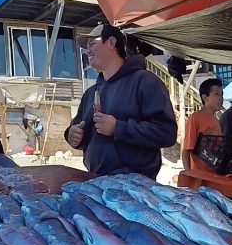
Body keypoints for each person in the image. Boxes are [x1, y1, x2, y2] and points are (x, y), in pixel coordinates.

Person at [64, 23, 177, 179]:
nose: (87, 51)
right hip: (96, 181)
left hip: (136, 186)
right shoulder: (91, 93)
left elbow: (167, 133)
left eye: (92, 44)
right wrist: (72, 135)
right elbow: (81, 132)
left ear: (111, 42)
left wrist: (118, 128)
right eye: (86, 47)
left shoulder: (146, 82)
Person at [182, 77, 223, 172]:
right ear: (205, 97)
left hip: (214, 173)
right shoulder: (195, 117)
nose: (221, 98)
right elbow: (186, 149)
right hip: (200, 175)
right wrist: (189, 174)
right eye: (216, 94)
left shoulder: (216, 120)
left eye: (222, 94)